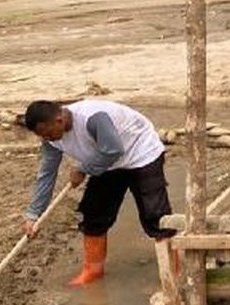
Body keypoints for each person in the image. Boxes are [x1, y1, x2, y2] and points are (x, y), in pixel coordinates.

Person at [21, 98, 175, 287]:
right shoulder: (51, 140)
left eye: (48, 133)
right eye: (42, 136)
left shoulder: (92, 118)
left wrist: (84, 169)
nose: (47, 139)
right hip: (107, 162)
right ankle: (92, 271)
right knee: (94, 214)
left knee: (155, 216)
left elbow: (113, 149)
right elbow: (46, 174)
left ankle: (173, 270)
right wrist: (34, 214)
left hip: (140, 153)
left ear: (59, 120)